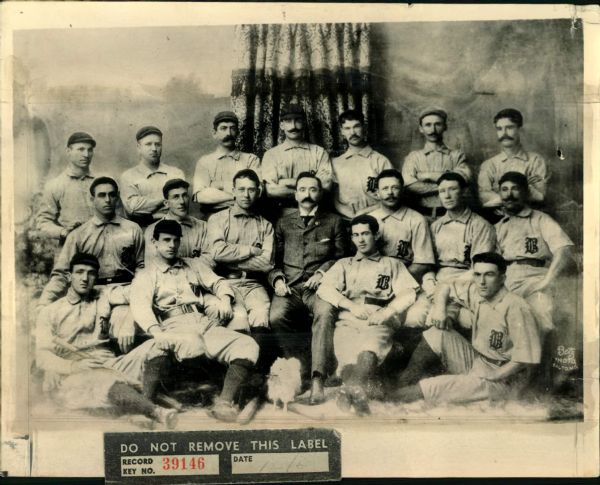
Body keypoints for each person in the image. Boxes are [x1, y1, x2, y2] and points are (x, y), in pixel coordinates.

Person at [130, 219, 260, 422]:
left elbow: (218, 282)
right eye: (166, 240)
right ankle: (158, 402)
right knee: (193, 345)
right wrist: (156, 331)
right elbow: (140, 307)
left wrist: (225, 299)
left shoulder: (193, 265)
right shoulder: (146, 275)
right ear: (154, 243)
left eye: (175, 240)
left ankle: (224, 402)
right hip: (174, 325)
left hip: (204, 321)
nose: (172, 245)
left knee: (246, 344)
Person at [36, 253, 177, 428]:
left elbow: (140, 290)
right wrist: (71, 366)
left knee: (158, 345)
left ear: (97, 276)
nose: (85, 278)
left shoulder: (104, 295)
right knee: (102, 380)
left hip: (109, 363)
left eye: (91, 273)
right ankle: (156, 412)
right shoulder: (50, 311)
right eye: (79, 272)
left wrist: (129, 319)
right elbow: (42, 354)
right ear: (69, 276)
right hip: (76, 371)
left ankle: (142, 408)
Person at [390, 252, 541, 405]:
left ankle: (389, 399)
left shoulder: (516, 307)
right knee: (437, 333)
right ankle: (401, 386)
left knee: (432, 387)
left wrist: (495, 375)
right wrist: (440, 309)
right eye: (477, 275)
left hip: (504, 379)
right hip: (479, 362)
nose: (482, 281)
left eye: (489, 275)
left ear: (502, 278)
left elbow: (526, 359)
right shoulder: (477, 292)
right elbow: (445, 286)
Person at [317, 215, 419, 414]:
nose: (361, 240)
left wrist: (389, 311)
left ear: (376, 235)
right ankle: (356, 391)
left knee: (369, 348)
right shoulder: (344, 264)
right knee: (346, 354)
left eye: (365, 234)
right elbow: (325, 289)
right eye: (356, 235)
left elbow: (409, 292)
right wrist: (349, 305)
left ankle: (349, 393)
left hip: (378, 317)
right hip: (349, 317)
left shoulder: (392, 264)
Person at [38, 177, 144, 353]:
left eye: (111, 195)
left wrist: (138, 294)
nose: (107, 200)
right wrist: (44, 303)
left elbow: (142, 267)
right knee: (85, 338)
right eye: (101, 195)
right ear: (91, 199)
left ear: (117, 197)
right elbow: (62, 273)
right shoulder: (79, 235)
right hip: (93, 295)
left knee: (124, 331)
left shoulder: (133, 229)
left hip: (124, 292)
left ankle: (123, 374)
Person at [267, 172, 347, 404]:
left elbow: (343, 259)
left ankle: (317, 379)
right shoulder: (283, 223)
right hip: (289, 288)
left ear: (320, 194)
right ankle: (300, 368)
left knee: (324, 313)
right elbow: (274, 263)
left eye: (313, 189)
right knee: (276, 316)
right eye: (302, 190)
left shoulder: (334, 222)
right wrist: (278, 280)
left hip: (321, 288)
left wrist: (322, 273)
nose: (307, 195)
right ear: (295, 194)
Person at [406, 172, 497, 327]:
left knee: (438, 321)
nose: (447, 196)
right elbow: (429, 264)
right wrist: (429, 283)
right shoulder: (435, 226)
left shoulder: (481, 226)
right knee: (413, 318)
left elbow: (478, 269)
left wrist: (446, 289)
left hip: (464, 283)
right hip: (436, 281)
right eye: (442, 191)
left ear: (464, 192)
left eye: (452, 189)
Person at [494, 172, 574, 334]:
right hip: (506, 280)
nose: (509, 195)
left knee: (541, 315)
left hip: (536, 278)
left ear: (526, 192)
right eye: (504, 190)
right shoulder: (498, 226)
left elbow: (564, 250)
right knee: (498, 321)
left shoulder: (541, 219)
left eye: (515, 189)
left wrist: (546, 281)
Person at [207, 169, 274, 332]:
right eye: (241, 189)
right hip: (227, 283)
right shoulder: (217, 219)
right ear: (233, 191)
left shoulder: (266, 225)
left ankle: (262, 358)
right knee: (239, 320)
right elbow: (217, 252)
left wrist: (231, 259)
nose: (246, 195)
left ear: (258, 192)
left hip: (254, 285)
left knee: (261, 317)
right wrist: (251, 250)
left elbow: (267, 264)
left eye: (251, 190)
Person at [402, 107, 471, 219]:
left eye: (437, 124)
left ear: (445, 127)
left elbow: (464, 179)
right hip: (421, 217)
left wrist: (427, 176)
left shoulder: (457, 155)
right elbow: (409, 186)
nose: (433, 130)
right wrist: (448, 184)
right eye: (428, 125)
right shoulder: (413, 157)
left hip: (452, 216)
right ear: (421, 128)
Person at [262, 104, 332, 212]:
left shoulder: (319, 152)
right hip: (283, 214)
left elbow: (326, 186)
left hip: (316, 213)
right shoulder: (271, 155)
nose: (293, 126)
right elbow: (271, 191)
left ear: (304, 123)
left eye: (298, 120)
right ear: (281, 125)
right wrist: (311, 185)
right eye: (288, 121)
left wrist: (285, 182)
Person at [369, 169, 435, 283]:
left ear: (403, 191)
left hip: (404, 277)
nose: (390, 192)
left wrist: (397, 282)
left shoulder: (417, 219)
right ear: (377, 193)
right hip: (372, 276)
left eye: (395, 187)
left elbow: (423, 263)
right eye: (385, 188)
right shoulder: (369, 220)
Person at [192, 111, 261, 217]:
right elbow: (201, 196)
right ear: (214, 133)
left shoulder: (251, 160)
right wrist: (238, 195)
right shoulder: (204, 162)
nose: (228, 133)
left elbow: (258, 193)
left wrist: (219, 186)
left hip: (245, 216)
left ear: (238, 132)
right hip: (212, 217)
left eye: (232, 128)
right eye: (223, 128)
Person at [478, 109, 549, 209]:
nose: (504, 133)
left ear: (520, 130)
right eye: (499, 129)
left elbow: (540, 197)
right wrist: (524, 187)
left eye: (509, 127)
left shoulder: (536, 161)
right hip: (498, 219)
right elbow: (484, 198)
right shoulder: (488, 165)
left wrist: (500, 194)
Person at [331, 109, 393, 220]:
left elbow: (391, 196)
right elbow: (334, 196)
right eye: (347, 128)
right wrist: (348, 213)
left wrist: (364, 213)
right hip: (345, 221)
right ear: (342, 131)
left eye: (356, 126)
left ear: (364, 128)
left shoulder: (380, 161)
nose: (353, 133)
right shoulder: (336, 163)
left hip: (377, 219)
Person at [36, 132, 96, 242]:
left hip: (102, 249)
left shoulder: (102, 182)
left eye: (90, 150)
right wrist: (63, 232)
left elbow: (119, 217)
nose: (86, 155)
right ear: (68, 151)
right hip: (70, 250)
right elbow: (43, 222)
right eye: (81, 149)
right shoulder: (55, 185)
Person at [120, 126, 185, 226]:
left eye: (158, 144)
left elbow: (180, 207)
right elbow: (133, 209)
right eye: (148, 144)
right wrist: (167, 197)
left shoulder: (176, 173)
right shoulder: (128, 176)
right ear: (139, 147)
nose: (154, 149)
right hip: (143, 230)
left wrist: (147, 205)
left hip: (174, 229)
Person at [145, 179, 211, 265]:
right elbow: (153, 265)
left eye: (184, 195)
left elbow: (210, 260)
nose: (182, 202)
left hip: (198, 276)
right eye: (176, 197)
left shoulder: (203, 227)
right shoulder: (152, 230)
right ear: (166, 203)